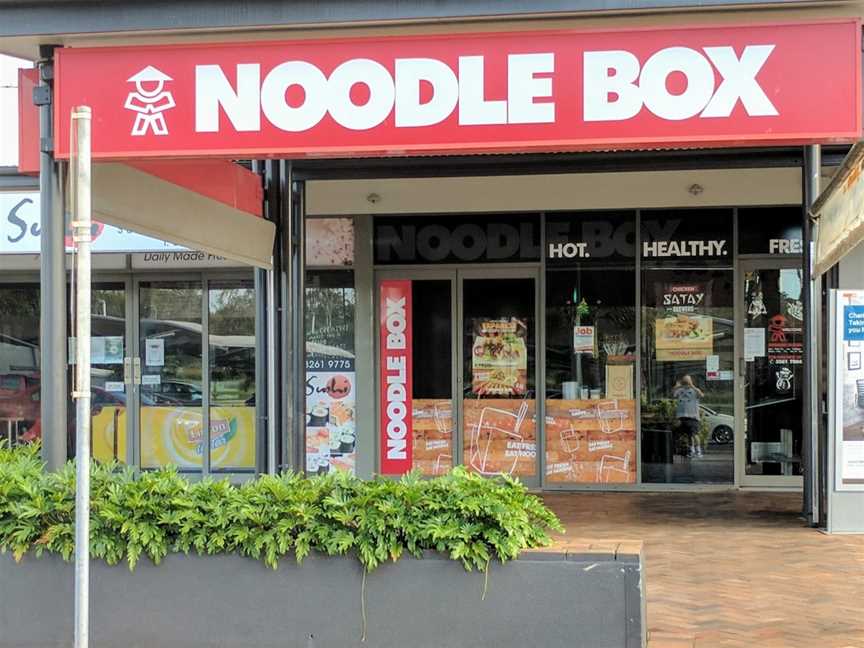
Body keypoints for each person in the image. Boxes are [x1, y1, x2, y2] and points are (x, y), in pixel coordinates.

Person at [673, 375, 704, 458]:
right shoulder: (680, 391)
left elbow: (701, 395)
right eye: (684, 381)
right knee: (689, 435)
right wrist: (677, 386)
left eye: (687, 381)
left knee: (694, 434)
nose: (685, 383)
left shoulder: (694, 391)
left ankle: (698, 451)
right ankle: (691, 450)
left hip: (692, 416)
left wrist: (692, 385)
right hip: (682, 416)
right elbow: (673, 394)